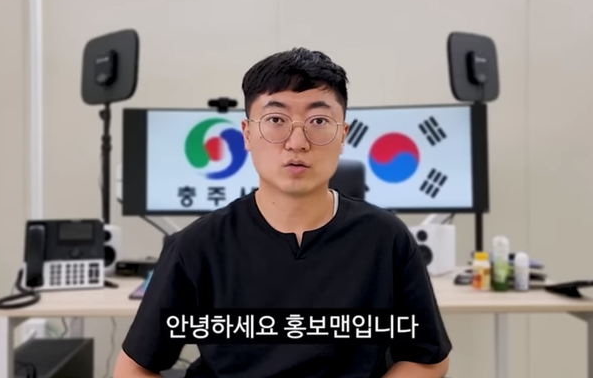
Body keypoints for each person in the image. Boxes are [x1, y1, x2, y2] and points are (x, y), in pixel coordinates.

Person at [113, 48, 452, 378]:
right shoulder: (195, 247)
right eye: (276, 120)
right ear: (247, 134)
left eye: (319, 121)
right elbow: (134, 367)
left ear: (343, 136)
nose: (297, 141)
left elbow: (427, 358)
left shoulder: (386, 239)